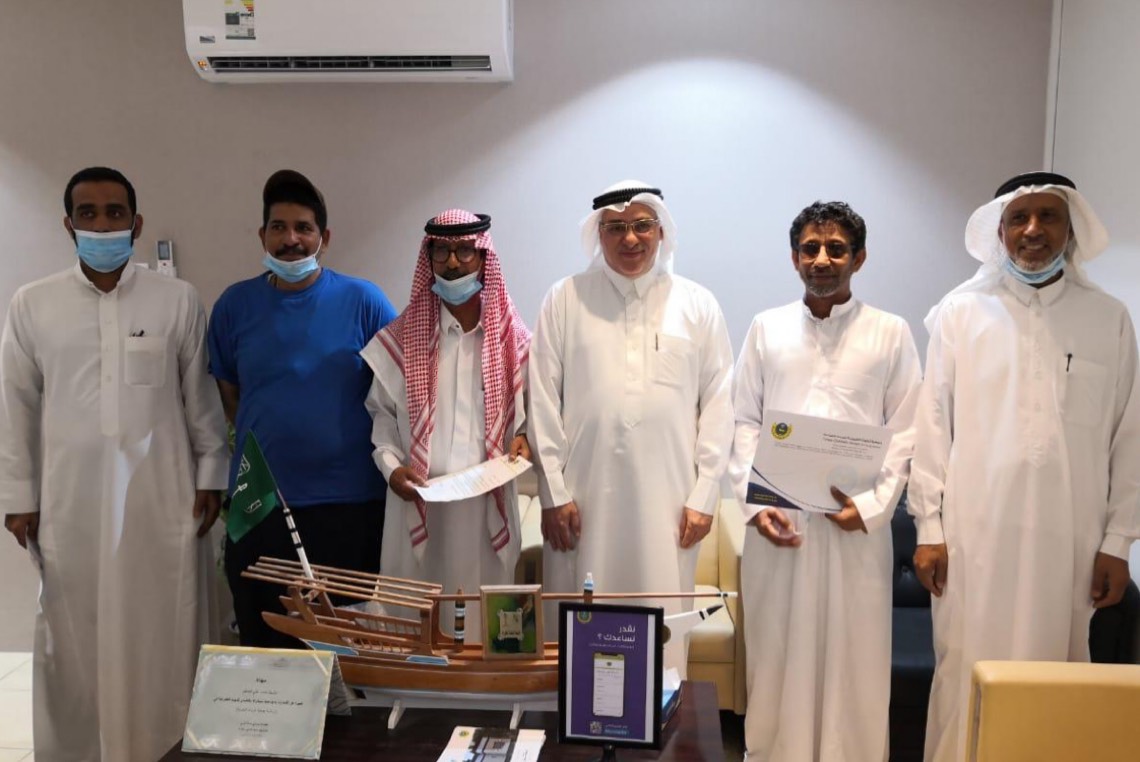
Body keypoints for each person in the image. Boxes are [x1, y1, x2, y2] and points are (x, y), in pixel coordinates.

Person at [909, 171, 1140, 762]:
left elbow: (1128, 437)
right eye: (1019, 218)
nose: (1033, 230)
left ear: (1072, 228)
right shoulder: (961, 313)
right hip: (974, 538)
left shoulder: (1109, 318)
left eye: (1049, 216)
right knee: (966, 668)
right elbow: (932, 425)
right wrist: (928, 528)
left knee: (1058, 675)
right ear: (1000, 231)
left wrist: (1119, 541)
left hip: (1070, 540)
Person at [0, 166, 229, 760]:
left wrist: (211, 475)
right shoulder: (33, 304)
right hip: (70, 500)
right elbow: (16, 404)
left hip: (162, 496)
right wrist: (19, 496)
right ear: (68, 224)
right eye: (89, 214)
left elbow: (200, 399)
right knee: (73, 631)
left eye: (114, 213)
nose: (102, 225)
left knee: (162, 626)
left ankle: (165, 746)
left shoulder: (177, 299)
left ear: (137, 222)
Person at [727, 201, 921, 760]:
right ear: (794, 258)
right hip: (779, 527)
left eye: (836, 249)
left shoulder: (890, 333)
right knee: (776, 656)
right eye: (810, 248)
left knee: (855, 660)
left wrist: (875, 506)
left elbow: (907, 428)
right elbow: (742, 420)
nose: (822, 259)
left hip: (854, 529)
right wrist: (754, 505)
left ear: (859, 258)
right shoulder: (766, 329)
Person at [528, 180, 734, 674]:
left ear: (661, 231)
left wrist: (705, 495)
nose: (630, 238)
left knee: (660, 631)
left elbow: (720, 404)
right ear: (597, 235)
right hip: (581, 504)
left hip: (670, 506)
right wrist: (552, 494)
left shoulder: (697, 304)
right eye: (615, 227)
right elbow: (541, 400)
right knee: (581, 633)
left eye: (642, 225)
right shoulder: (565, 299)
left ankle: (660, 717)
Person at [208, 169, 398, 647]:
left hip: (350, 508)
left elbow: (397, 394)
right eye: (279, 227)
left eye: (303, 228)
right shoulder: (234, 306)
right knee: (266, 647)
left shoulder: (364, 302)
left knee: (347, 650)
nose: (290, 239)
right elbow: (231, 397)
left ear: (324, 238)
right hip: (261, 509)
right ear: (262, 235)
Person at [361, 209, 531, 638]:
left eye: (464, 251)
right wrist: (391, 468)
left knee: (483, 630)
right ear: (429, 257)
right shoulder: (401, 338)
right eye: (441, 250)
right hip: (416, 507)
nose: (453, 262)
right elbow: (381, 418)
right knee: (412, 628)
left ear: (484, 256)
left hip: (485, 513)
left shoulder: (514, 341)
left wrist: (526, 438)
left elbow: (536, 417)